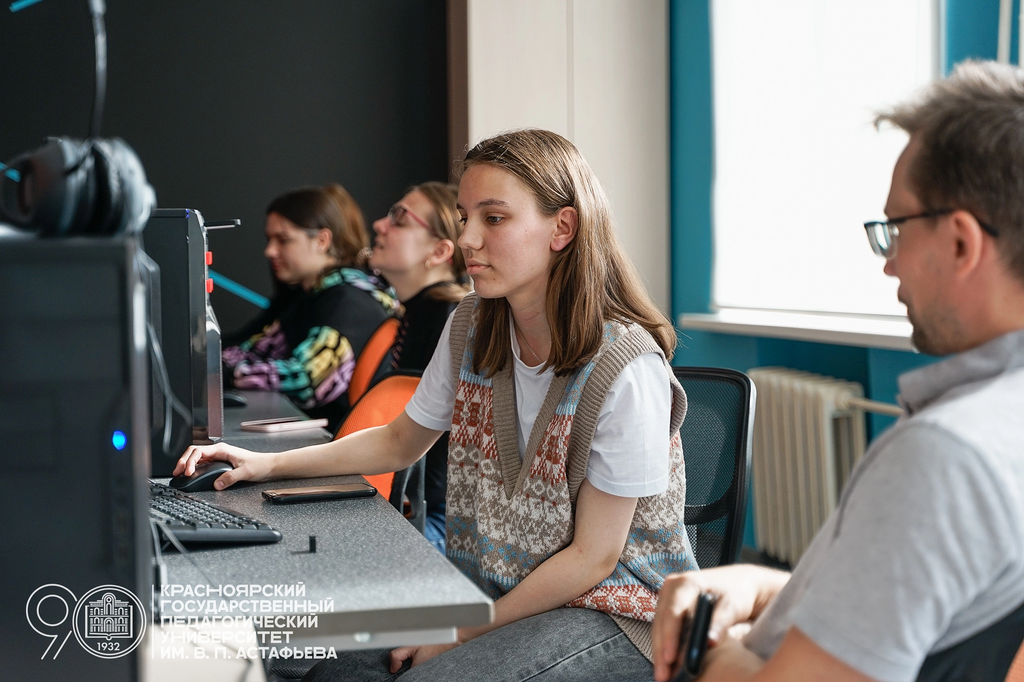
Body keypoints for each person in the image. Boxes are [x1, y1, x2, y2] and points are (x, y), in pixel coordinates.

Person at [176, 128, 697, 681]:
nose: (468, 237)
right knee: (331, 667)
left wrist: (463, 630)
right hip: (496, 590)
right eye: (465, 217)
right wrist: (268, 464)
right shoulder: (472, 325)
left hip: (614, 612)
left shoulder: (626, 368)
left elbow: (594, 558)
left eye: (493, 218)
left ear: (562, 228)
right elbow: (400, 440)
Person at [651, 60, 1024, 682]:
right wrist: (758, 586)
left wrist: (718, 652)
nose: (888, 264)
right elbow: (901, 612)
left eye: (895, 230)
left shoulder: (946, 457)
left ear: (961, 242)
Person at [222, 183, 398, 432]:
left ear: (322, 240)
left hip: (329, 442)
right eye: (269, 239)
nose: (270, 251)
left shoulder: (349, 300)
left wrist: (227, 374)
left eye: (283, 240)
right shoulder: (306, 295)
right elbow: (249, 347)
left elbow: (308, 379)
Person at [367, 181, 469, 552]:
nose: (379, 225)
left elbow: (412, 455)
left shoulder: (449, 319)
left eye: (399, 218)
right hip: (412, 506)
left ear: (440, 251)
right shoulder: (420, 312)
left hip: (437, 519)